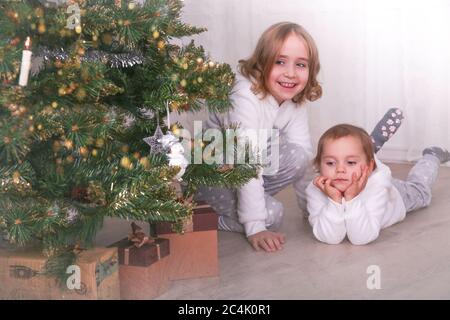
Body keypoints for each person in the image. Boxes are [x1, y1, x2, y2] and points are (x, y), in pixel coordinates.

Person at [196, 21, 401, 252]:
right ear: (262, 63)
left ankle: (249, 205)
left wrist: (313, 210)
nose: (291, 73)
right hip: (209, 176)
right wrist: (255, 225)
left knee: (300, 155)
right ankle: (202, 216)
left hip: (240, 171)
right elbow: (247, 164)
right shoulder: (244, 96)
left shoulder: (293, 100)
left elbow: (304, 161)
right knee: (271, 214)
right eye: (280, 61)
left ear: (311, 70)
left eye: (301, 65)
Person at [306, 123, 450, 245]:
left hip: (396, 196)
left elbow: (361, 238)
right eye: (330, 163)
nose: (340, 169)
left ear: (368, 168)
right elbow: (330, 238)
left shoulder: (377, 186)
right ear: (319, 165)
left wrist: (351, 198)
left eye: (350, 162)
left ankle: (432, 156)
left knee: (421, 191)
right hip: (366, 177)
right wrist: (335, 201)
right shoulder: (315, 189)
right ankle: (372, 144)